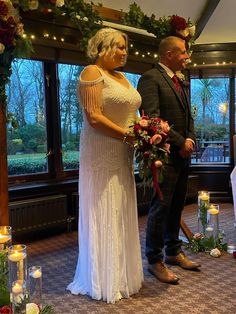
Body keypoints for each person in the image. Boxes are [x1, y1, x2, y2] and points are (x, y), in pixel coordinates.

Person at [67, 27, 143, 303]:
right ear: (103, 46)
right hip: (101, 153)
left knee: (121, 206)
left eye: (125, 47)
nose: (124, 52)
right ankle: (104, 278)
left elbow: (131, 112)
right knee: (105, 206)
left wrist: (145, 133)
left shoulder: (121, 77)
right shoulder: (91, 72)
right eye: (119, 47)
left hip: (124, 153)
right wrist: (128, 135)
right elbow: (94, 118)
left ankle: (123, 274)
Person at [137, 36, 200, 285]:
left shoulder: (181, 80)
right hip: (164, 156)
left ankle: (173, 252)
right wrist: (179, 142)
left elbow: (188, 117)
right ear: (169, 54)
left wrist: (190, 140)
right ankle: (155, 260)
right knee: (160, 208)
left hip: (182, 155)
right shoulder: (151, 78)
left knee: (177, 206)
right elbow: (151, 118)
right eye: (183, 52)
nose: (187, 57)